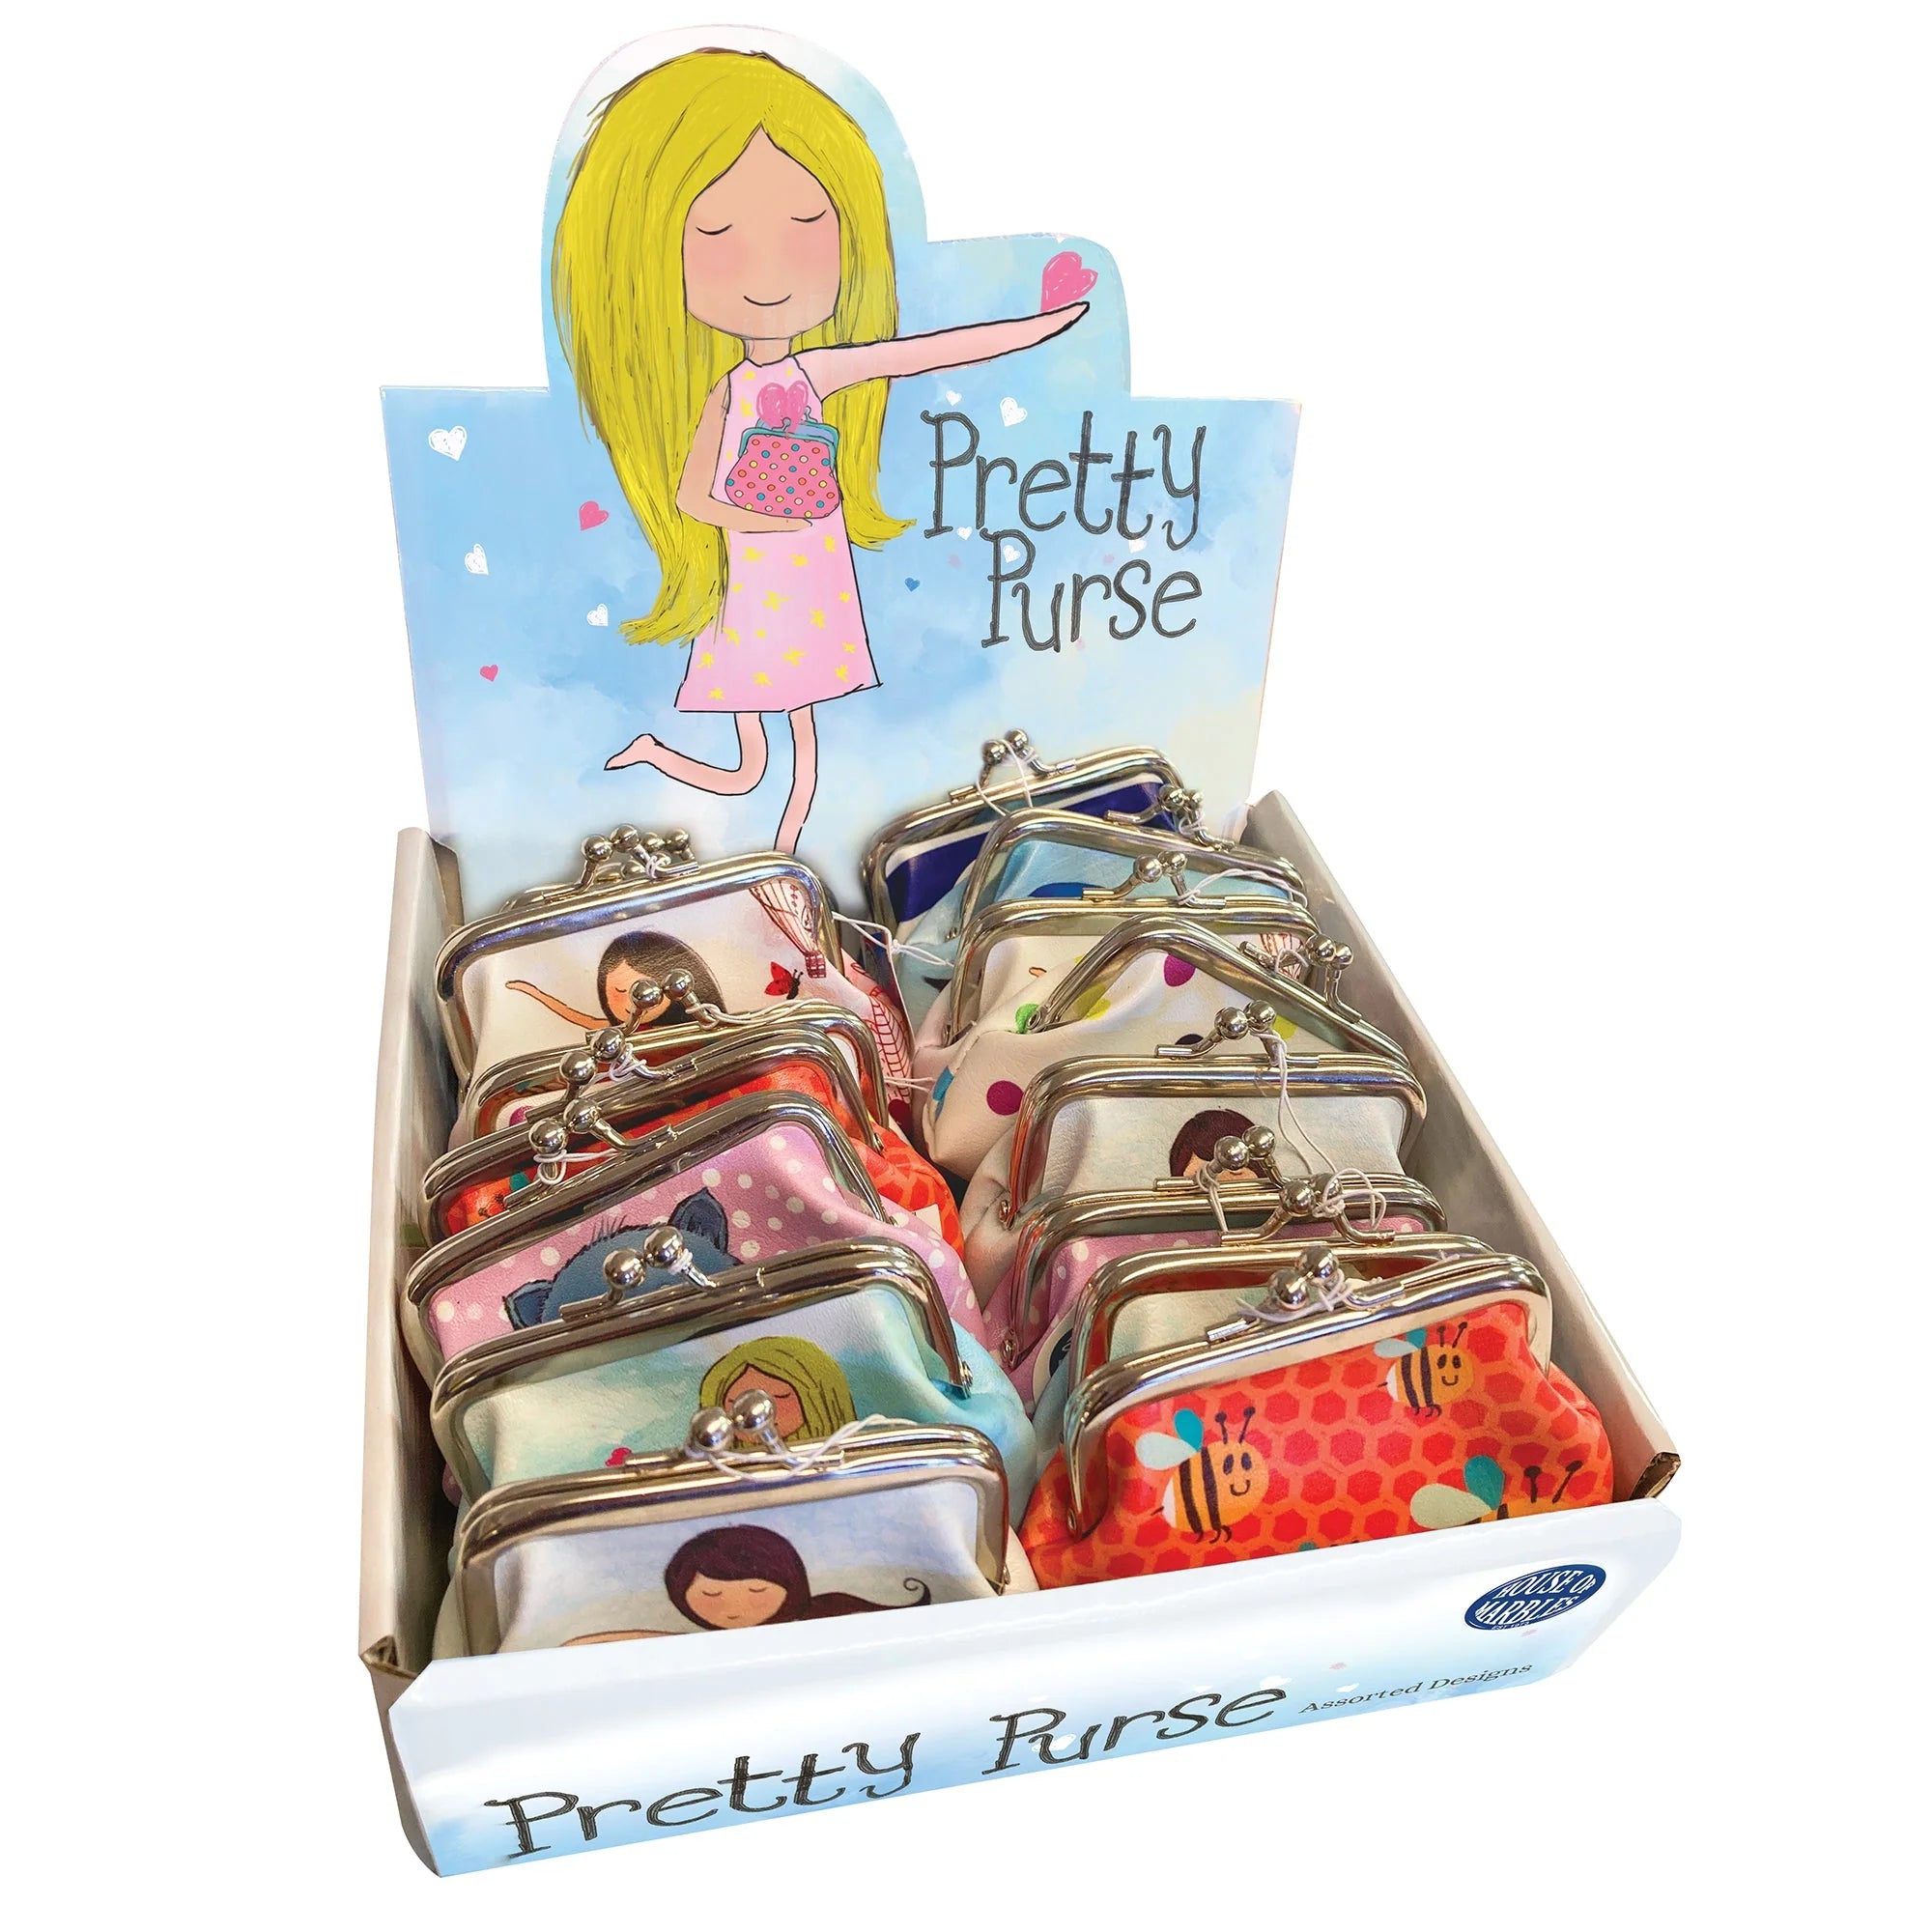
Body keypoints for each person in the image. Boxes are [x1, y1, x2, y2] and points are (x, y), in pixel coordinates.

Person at [552, 48, 1088, 851]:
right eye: (718, 234)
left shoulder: (816, 373)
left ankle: (781, 871)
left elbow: (923, 352)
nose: (768, 272)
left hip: (811, 592)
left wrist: (1039, 326)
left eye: (808, 228)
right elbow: (694, 498)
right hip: (750, 594)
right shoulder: (724, 395)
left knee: (801, 761)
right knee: (748, 769)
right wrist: (764, 523)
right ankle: (662, 759)